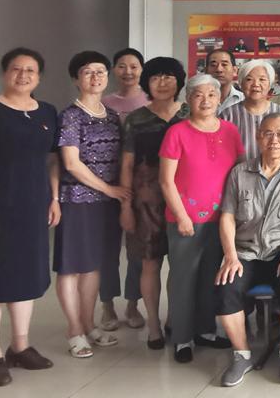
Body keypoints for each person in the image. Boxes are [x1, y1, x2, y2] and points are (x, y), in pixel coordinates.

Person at [0, 48, 60, 386]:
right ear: (5, 73)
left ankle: (20, 346)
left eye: (30, 70)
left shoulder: (46, 112)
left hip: (33, 209)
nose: (23, 75)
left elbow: (53, 160)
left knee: (26, 278)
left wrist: (54, 198)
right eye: (16, 69)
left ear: (39, 77)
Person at [215, 114, 280, 387]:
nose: (274, 140)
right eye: (268, 133)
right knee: (226, 287)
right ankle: (242, 354)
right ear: (258, 137)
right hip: (245, 252)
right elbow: (227, 216)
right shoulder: (240, 173)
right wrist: (230, 256)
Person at [159, 74, 244, 363]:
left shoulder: (230, 131)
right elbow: (166, 181)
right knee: (183, 278)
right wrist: (182, 216)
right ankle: (182, 337)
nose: (205, 100)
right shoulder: (177, 132)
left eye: (211, 94)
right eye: (198, 95)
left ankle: (206, 330)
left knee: (211, 276)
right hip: (185, 219)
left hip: (222, 219)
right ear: (188, 99)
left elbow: (239, 172)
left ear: (220, 99)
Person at [53, 51, 126, 358]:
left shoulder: (112, 116)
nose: (95, 77)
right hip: (77, 200)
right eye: (87, 72)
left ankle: (89, 324)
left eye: (100, 71)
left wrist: (112, 193)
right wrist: (108, 189)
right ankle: (74, 330)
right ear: (76, 79)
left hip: (106, 204)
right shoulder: (71, 116)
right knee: (72, 267)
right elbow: (71, 163)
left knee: (94, 266)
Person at [119, 57, 187, 350]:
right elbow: (126, 165)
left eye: (168, 76)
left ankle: (173, 318)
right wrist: (125, 206)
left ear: (179, 81)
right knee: (149, 263)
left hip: (184, 201)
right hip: (146, 202)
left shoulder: (189, 114)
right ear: (146, 83)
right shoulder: (136, 119)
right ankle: (153, 326)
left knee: (179, 265)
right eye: (155, 77)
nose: (162, 82)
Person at [100, 47, 148, 332]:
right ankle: (107, 304)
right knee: (107, 249)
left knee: (136, 250)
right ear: (114, 70)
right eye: (121, 66)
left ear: (142, 70)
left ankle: (132, 303)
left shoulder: (149, 101)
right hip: (106, 184)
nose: (128, 71)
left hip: (140, 185)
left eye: (134, 66)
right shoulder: (104, 102)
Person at [220, 59, 280, 159]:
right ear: (240, 84)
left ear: (270, 84)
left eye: (262, 79)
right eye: (249, 79)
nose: (256, 84)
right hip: (237, 168)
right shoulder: (227, 115)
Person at [206, 48, 244, 114]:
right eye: (213, 65)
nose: (219, 69)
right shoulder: (196, 101)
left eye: (224, 64)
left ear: (235, 70)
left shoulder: (244, 100)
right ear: (206, 71)